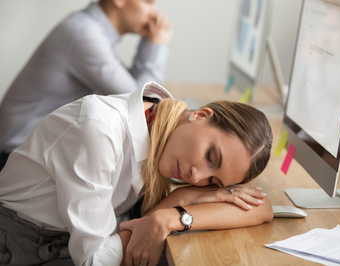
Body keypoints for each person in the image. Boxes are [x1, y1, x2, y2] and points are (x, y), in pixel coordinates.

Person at [0, 82, 274, 266]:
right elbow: (93, 260)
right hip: (18, 247)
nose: (196, 175)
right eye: (210, 156)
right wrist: (175, 205)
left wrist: (170, 215)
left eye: (213, 182)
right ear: (201, 115)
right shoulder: (99, 131)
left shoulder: (159, 121)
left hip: (66, 242)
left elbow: (261, 208)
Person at [0, 0, 172, 170]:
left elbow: (134, 93)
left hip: (28, 154)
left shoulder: (88, 29)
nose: (154, 13)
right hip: (13, 159)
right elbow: (141, 103)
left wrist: (150, 42)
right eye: (148, 2)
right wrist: (157, 44)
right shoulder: (83, 34)